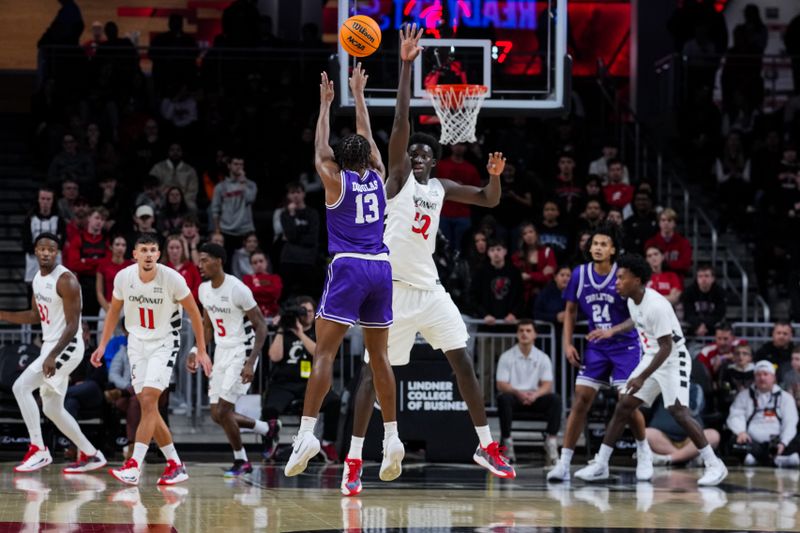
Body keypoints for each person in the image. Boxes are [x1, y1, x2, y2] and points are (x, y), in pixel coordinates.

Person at [340, 30, 514, 496]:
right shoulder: (395, 182)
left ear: (435, 162)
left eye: (425, 153)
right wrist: (405, 66)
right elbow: (398, 124)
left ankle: (485, 445)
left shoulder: (440, 188)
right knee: (371, 376)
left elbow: (488, 200)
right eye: (413, 152)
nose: (417, 155)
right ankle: (354, 460)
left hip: (431, 289)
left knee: (464, 362)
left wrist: (494, 178)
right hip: (390, 291)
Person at [283, 63, 401, 481]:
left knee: (325, 351)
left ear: (340, 160)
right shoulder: (380, 175)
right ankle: (391, 438)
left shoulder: (335, 180)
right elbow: (367, 135)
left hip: (349, 266)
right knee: (381, 357)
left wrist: (325, 105)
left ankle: (306, 434)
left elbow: (319, 149)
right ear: (369, 157)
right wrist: (359, 95)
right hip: (382, 269)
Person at [573, 254, 728, 486]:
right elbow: (636, 321)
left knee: (678, 411)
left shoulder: (657, 305)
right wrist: (613, 331)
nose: (616, 282)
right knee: (624, 404)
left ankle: (715, 465)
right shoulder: (632, 299)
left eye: (621, 278)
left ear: (636, 280)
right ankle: (601, 464)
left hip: (674, 359)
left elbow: (666, 347)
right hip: (652, 356)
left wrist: (641, 377)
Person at [90, 234, 211, 486]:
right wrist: (102, 345)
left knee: (147, 399)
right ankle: (175, 464)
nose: (148, 254)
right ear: (134, 254)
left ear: (158, 254)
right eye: (143, 249)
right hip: (136, 344)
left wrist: (200, 349)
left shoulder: (172, 278)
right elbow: (113, 311)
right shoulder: (124, 277)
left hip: (164, 343)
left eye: (152, 250)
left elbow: (195, 313)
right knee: (148, 407)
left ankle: (134, 464)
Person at [548, 225, 652, 482]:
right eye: (595, 243)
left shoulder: (623, 275)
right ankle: (564, 463)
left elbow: (636, 317)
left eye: (604, 244)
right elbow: (570, 311)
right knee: (581, 398)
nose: (598, 247)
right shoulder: (579, 274)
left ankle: (644, 451)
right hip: (597, 347)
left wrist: (612, 331)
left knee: (626, 400)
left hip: (625, 345)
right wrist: (567, 343)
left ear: (613, 249)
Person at [0, 233, 106, 473]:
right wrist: (3, 314)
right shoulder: (37, 278)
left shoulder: (66, 280)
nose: (46, 253)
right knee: (52, 409)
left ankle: (38, 449)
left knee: (21, 387)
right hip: (51, 346)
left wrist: (51, 355)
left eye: (51, 249)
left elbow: (72, 324)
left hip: (66, 346)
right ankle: (91, 454)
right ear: (35, 251)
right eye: (42, 249)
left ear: (57, 252)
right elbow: (34, 316)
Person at [195, 243, 270, 476]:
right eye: (199, 260)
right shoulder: (203, 290)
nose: (200, 265)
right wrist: (195, 350)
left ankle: (242, 460)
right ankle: (267, 429)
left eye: (205, 260)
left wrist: (251, 361)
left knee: (225, 410)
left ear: (219, 261)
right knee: (216, 414)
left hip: (241, 350)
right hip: (221, 351)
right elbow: (207, 327)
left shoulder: (238, 288)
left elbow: (262, 327)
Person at [264, 297, 341, 462]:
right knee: (270, 408)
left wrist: (300, 333)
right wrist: (281, 329)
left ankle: (327, 443)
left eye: (310, 311)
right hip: (285, 383)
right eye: (302, 311)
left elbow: (318, 353)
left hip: (310, 384)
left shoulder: (318, 332)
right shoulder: (285, 331)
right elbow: (274, 356)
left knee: (334, 401)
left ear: (315, 314)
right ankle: (271, 442)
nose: (306, 314)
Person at [496, 320, 561, 464]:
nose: (524, 333)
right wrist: (518, 393)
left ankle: (551, 442)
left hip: (534, 397)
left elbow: (547, 384)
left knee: (555, 399)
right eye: (521, 330)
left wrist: (535, 395)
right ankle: (507, 443)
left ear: (535, 335)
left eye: (528, 330)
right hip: (514, 397)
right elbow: (501, 384)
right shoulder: (507, 356)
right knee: (503, 398)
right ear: (517, 334)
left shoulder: (543, 357)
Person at [727, 360, 800, 467]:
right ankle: (778, 461)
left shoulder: (785, 398)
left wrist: (783, 442)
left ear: (773, 377)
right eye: (758, 375)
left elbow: (790, 422)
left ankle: (759, 460)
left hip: (779, 442)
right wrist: (741, 432)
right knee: (734, 441)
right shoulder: (744, 396)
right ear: (754, 378)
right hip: (752, 442)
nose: (762, 378)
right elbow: (735, 415)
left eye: (765, 374)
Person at [63, 207, 110, 317]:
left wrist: (86, 261)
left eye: (102, 219)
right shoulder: (77, 239)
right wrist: (98, 263)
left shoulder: (106, 242)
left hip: (101, 288)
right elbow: (73, 265)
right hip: (81, 287)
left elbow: (107, 265)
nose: (99, 222)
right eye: (97, 218)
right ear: (89, 218)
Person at [211, 155, 257, 263]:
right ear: (229, 166)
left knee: (247, 263)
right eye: (236, 164)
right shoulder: (220, 187)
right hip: (227, 230)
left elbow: (250, 199)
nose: (239, 167)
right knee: (227, 263)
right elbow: (215, 210)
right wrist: (217, 230)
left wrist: (243, 183)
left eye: (241, 164)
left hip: (246, 230)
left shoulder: (251, 184)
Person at [279, 182, 319, 298]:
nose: (295, 195)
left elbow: (312, 238)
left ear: (303, 194)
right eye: (292, 193)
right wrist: (291, 214)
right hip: (289, 259)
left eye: (298, 192)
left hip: (307, 260)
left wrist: (294, 238)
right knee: (286, 294)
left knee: (310, 294)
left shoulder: (312, 213)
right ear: (288, 196)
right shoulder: (285, 214)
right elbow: (290, 235)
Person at [471, 240, 524, 324]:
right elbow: (473, 297)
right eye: (492, 250)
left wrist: (514, 314)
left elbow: (521, 296)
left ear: (505, 251)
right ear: (488, 253)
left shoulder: (514, 272)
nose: (495, 253)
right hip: (486, 323)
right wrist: (484, 314)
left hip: (509, 323)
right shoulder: (480, 272)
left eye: (498, 249)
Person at [22, 187, 65, 285]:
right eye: (43, 198)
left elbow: (61, 244)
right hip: (34, 264)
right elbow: (26, 244)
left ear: (53, 201)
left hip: (54, 264)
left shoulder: (59, 220)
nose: (45, 202)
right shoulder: (30, 219)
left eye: (48, 199)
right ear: (38, 199)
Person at [511, 222, 557, 308]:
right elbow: (517, 278)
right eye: (525, 233)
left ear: (536, 234)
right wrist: (541, 274)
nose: (528, 235)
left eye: (531, 232)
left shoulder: (547, 252)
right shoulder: (516, 256)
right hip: (523, 297)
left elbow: (549, 277)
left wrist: (529, 276)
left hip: (544, 295)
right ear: (522, 238)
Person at [149, 143, 199, 211]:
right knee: (151, 205)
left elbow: (193, 191)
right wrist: (159, 196)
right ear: (168, 152)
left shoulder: (190, 170)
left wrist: (180, 200)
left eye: (178, 150)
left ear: (182, 152)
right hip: (162, 198)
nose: (175, 152)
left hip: (184, 200)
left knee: (192, 207)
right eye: (172, 150)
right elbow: (151, 186)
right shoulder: (158, 168)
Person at [645, 208, 693, 278]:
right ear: (659, 223)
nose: (666, 223)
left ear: (674, 223)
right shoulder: (651, 242)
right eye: (663, 220)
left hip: (676, 282)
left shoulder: (683, 242)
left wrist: (664, 264)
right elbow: (648, 264)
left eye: (669, 220)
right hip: (655, 280)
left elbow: (685, 264)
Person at [682, 264, 727, 337]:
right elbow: (688, 313)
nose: (703, 279)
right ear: (697, 278)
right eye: (700, 276)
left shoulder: (720, 292)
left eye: (706, 276)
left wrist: (705, 325)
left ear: (713, 278)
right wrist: (698, 325)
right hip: (693, 329)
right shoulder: (689, 292)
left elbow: (719, 314)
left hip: (713, 329)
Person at [243, 250, 282, 319]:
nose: (258, 264)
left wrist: (256, 290)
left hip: (273, 315)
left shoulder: (275, 277)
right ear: (251, 265)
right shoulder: (247, 278)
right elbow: (248, 295)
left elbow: (275, 293)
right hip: (254, 316)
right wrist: (267, 291)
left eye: (261, 261)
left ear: (266, 262)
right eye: (255, 263)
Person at [718, 343, 756, 413]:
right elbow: (725, 389)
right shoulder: (728, 371)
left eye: (745, 354)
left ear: (750, 357)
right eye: (737, 354)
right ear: (734, 356)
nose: (740, 356)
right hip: (732, 404)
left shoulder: (756, 371)